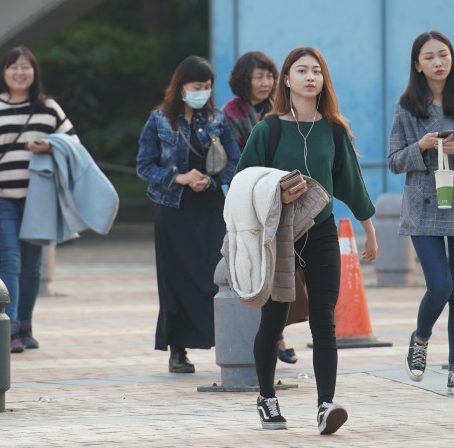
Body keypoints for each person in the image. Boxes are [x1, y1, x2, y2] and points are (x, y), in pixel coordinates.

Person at [236, 47, 378, 435]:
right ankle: (266, 398)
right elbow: (243, 182)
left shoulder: (333, 129)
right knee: (273, 319)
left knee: (324, 321)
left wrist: (370, 229)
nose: (310, 76)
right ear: (287, 78)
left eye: (317, 70)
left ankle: (325, 405)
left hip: (322, 232)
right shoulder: (268, 129)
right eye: (302, 70)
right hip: (278, 236)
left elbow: (351, 181)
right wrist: (274, 195)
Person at [388, 31, 454, 395]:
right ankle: (420, 341)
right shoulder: (406, 106)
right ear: (417, 65)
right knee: (441, 284)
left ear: (451, 58)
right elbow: (392, 161)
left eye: (444, 55)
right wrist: (419, 147)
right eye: (430, 57)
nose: (438, 62)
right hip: (423, 206)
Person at [136, 56, 240, 374]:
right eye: (197, 86)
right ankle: (177, 350)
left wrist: (211, 179)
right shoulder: (158, 120)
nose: (203, 93)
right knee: (175, 280)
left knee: (213, 275)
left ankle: (223, 339)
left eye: (208, 87)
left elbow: (235, 160)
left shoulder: (218, 120)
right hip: (172, 209)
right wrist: (178, 177)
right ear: (181, 86)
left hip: (209, 209)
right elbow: (144, 165)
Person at [0, 46, 77, 353]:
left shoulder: (49, 108)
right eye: (13, 67)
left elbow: (73, 144)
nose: (19, 72)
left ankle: (25, 325)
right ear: (4, 73)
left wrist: (49, 146)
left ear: (34, 72)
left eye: (25, 67)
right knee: (9, 262)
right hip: (0, 196)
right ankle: (8, 327)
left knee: (32, 267)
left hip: (39, 199)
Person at [222, 51, 302, 365]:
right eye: (259, 77)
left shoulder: (281, 110)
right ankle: (269, 337)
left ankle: (278, 331)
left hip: (280, 196)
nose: (266, 83)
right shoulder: (230, 114)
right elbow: (234, 162)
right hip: (244, 198)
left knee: (283, 265)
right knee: (255, 263)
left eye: (269, 76)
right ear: (245, 80)